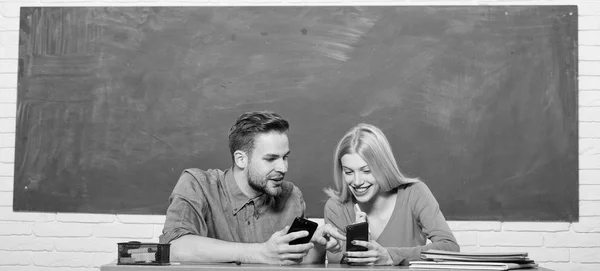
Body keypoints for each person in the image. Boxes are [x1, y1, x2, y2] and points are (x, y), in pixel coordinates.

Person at [159, 110, 344, 265]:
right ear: (241, 159)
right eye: (271, 159)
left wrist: (318, 247)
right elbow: (174, 249)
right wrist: (260, 253)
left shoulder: (291, 197)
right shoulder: (197, 184)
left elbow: (297, 262)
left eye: (285, 157)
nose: (283, 168)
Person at [324, 123, 459, 266]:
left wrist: (390, 256)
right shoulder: (335, 207)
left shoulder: (414, 194)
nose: (357, 182)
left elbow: (450, 248)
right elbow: (334, 263)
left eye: (367, 171)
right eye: (349, 172)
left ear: (383, 167)